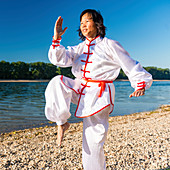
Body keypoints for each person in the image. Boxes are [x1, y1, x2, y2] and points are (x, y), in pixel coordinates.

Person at [45, 9, 152, 170]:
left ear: (97, 23)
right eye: (81, 23)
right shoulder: (79, 48)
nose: (83, 25)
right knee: (57, 82)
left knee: (93, 140)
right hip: (81, 87)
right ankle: (61, 122)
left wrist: (140, 83)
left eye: (87, 21)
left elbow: (129, 63)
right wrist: (57, 38)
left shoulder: (110, 45)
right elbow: (60, 59)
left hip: (100, 93)